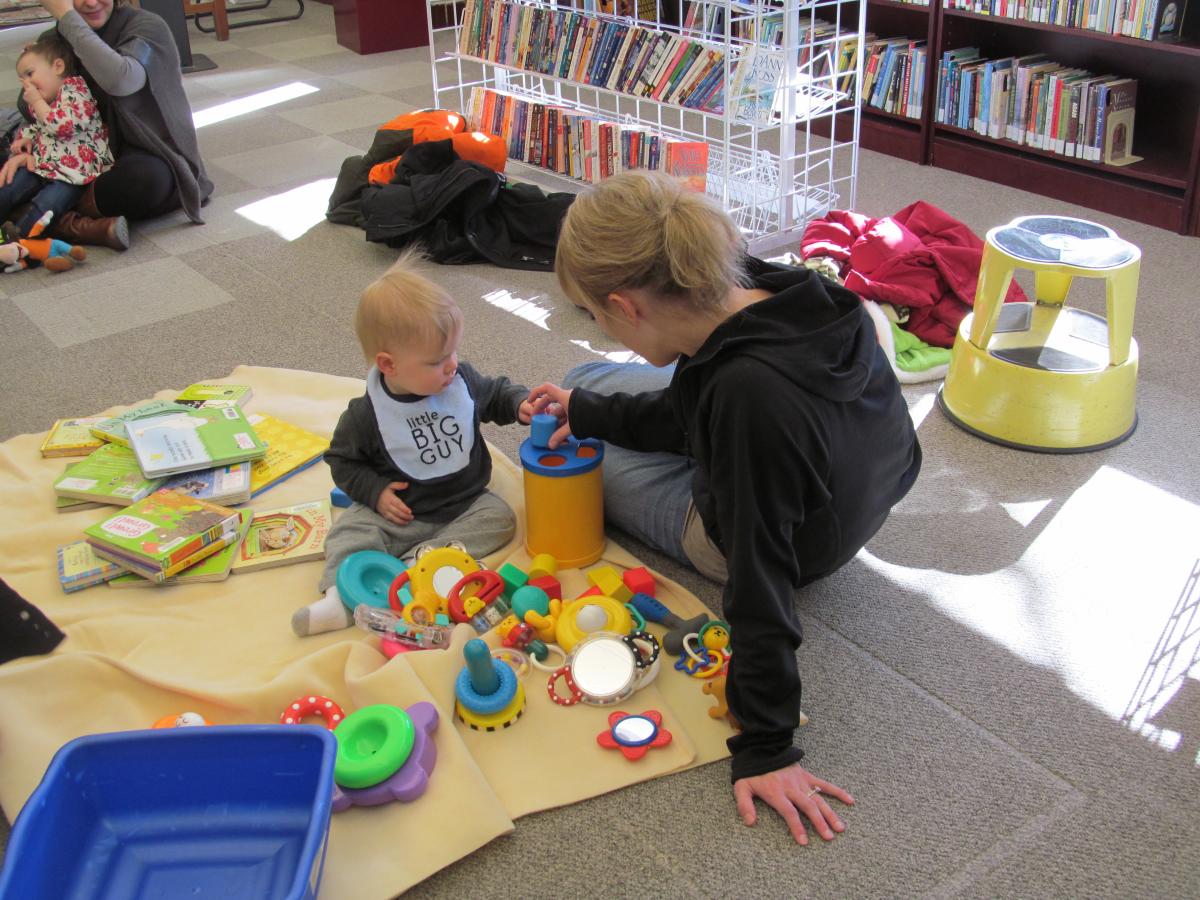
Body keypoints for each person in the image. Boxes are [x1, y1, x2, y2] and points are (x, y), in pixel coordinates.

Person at [529, 172, 922, 845]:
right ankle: (592, 407)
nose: (598, 326)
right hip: (843, 481)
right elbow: (693, 401)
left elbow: (759, 566)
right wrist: (591, 413)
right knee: (581, 385)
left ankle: (597, 424)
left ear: (626, 306)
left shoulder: (746, 397)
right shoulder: (790, 286)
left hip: (801, 537)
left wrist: (767, 745)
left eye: (596, 316)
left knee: (557, 453)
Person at [292, 248, 535, 637]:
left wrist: (519, 403)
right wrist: (374, 492)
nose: (452, 364)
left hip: (465, 504)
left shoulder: (459, 379)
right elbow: (341, 460)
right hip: (400, 514)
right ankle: (339, 601)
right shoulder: (367, 415)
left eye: (453, 351)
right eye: (438, 360)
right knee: (348, 532)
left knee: (502, 519)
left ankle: (411, 570)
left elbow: (493, 394)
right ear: (388, 365)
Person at [27, 0, 214, 250]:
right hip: (73, 154)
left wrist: (68, 18)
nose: (91, 2)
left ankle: (47, 215)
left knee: (151, 181)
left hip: (139, 153)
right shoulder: (53, 40)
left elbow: (122, 80)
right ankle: (78, 225)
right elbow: (27, 101)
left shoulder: (145, 26)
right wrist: (32, 141)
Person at [0, 32, 112, 241]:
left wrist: (37, 103)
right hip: (42, 163)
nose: (27, 84)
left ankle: (19, 243)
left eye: (30, 74)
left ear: (58, 67)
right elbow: (38, 126)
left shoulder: (76, 91)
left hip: (73, 173)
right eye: (23, 79)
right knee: (9, 188)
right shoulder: (44, 99)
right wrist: (26, 139)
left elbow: (62, 126)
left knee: (46, 206)